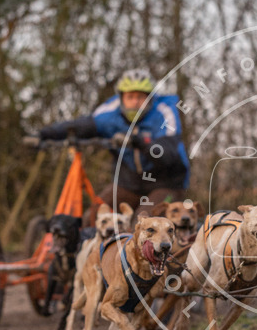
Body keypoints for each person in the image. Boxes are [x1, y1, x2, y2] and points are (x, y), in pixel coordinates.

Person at [32, 68, 190, 220]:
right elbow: (81, 126)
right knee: (94, 216)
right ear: (121, 98)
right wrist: (43, 135)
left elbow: (168, 155)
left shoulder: (164, 112)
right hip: (129, 184)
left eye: (140, 97)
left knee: (143, 223)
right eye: (130, 97)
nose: (135, 102)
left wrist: (139, 141)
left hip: (166, 184)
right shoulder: (110, 112)